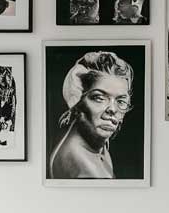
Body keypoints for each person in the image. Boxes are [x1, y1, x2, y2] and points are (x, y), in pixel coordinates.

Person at [49, 51, 133, 179]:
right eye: (99, 98)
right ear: (78, 101)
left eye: (121, 101)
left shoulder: (97, 144)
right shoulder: (84, 169)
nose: (112, 109)